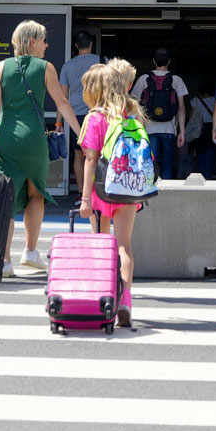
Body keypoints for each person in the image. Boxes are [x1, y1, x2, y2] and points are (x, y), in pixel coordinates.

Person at [0, 20, 83, 277]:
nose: (47, 45)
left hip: (6, 138)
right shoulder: (46, 68)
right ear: (32, 41)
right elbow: (62, 102)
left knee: (6, 199)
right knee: (36, 194)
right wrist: (81, 133)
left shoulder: (0, 67)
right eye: (44, 40)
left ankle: (5, 261)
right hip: (34, 140)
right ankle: (30, 251)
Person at [78, 58, 147, 328]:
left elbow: (90, 159)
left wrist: (85, 198)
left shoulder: (95, 118)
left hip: (101, 190)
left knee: (101, 244)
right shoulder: (131, 116)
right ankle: (125, 300)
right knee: (124, 246)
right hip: (128, 187)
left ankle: (104, 296)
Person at [131, 47, 187, 180]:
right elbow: (181, 108)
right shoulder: (176, 80)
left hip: (149, 129)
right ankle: (167, 188)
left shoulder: (144, 79)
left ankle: (151, 188)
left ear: (153, 61)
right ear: (169, 61)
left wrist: (138, 128)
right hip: (169, 129)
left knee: (150, 162)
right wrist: (182, 131)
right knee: (168, 163)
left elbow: (134, 105)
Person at [57, 30, 102, 195]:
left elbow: (62, 97)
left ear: (76, 46)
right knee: (97, 154)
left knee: (78, 155)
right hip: (97, 113)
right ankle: (96, 193)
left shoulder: (68, 66)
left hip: (75, 115)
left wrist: (59, 122)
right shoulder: (102, 62)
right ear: (91, 44)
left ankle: (82, 193)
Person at [185, 81, 216, 178]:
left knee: (199, 153)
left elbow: (191, 117)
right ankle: (209, 175)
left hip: (198, 128)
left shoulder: (195, 100)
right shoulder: (215, 100)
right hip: (211, 127)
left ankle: (202, 174)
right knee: (210, 152)